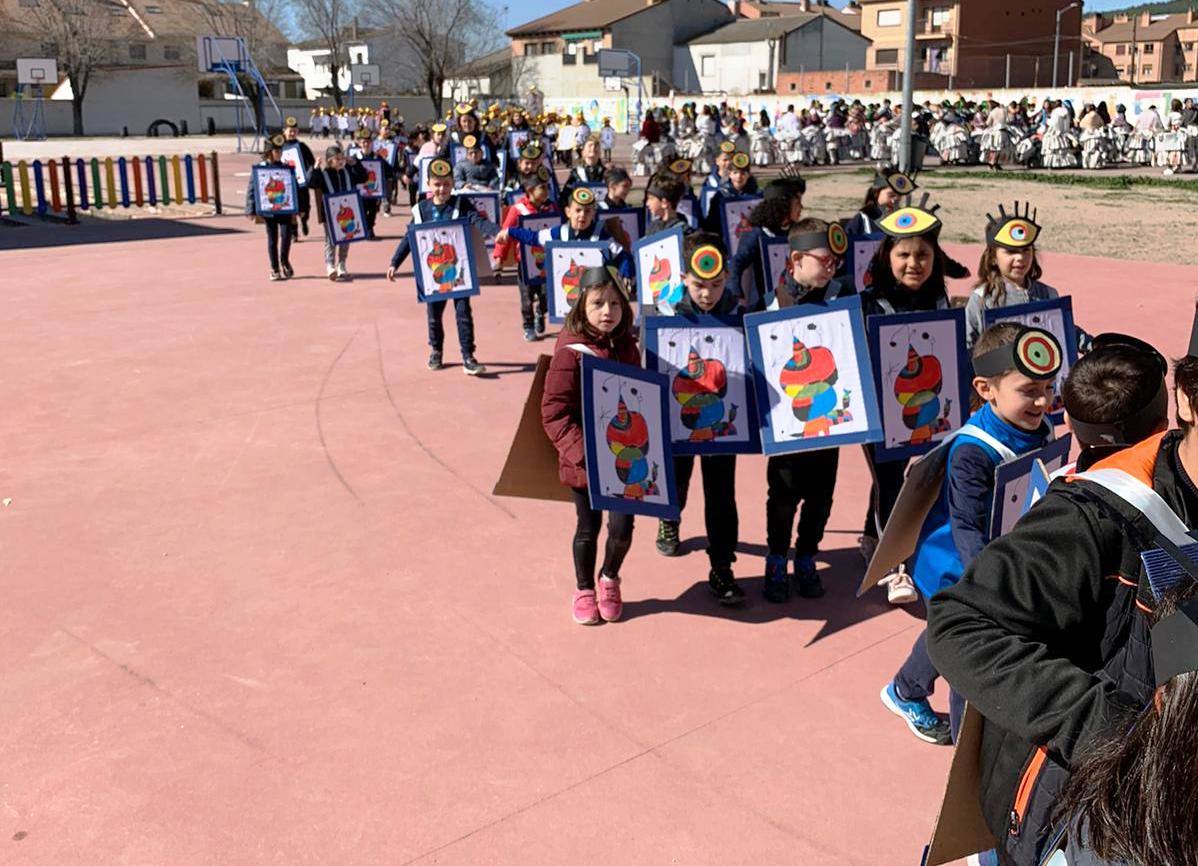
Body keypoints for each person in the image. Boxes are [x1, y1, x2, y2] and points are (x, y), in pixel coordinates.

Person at [926, 322, 1191, 866]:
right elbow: (960, 623)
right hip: (1098, 815)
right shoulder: (1102, 515)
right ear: (1186, 399)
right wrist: (1111, 732)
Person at [881, 323, 1059, 746]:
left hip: (1000, 548)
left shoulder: (1041, 426)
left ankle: (905, 687)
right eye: (1029, 390)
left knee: (946, 630)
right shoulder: (973, 451)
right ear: (986, 388)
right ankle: (967, 748)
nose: (1042, 400)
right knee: (968, 642)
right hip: (955, 558)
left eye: (1049, 388)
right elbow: (964, 522)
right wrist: (983, 579)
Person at [859, 194, 954, 604]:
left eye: (922, 254)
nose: (913, 263)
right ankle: (895, 568)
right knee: (890, 483)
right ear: (887, 256)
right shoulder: (868, 303)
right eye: (904, 254)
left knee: (923, 481)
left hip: (928, 410)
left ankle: (871, 535)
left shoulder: (940, 300)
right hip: (882, 413)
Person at [760, 218, 852, 603]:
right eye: (825, 260)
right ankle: (777, 557)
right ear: (796, 259)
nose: (833, 267)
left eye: (836, 261)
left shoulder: (840, 300)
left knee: (821, 498)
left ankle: (807, 555)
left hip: (828, 429)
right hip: (788, 433)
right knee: (781, 499)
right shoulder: (772, 303)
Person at [541, 267, 639, 625]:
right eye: (598, 303)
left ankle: (609, 577)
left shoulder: (629, 348)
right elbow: (553, 414)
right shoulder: (571, 352)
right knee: (588, 527)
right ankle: (584, 588)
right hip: (583, 462)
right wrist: (586, 455)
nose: (607, 311)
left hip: (626, 460)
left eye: (615, 303)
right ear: (581, 305)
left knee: (623, 529)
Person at [652, 233, 746, 604]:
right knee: (678, 479)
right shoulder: (664, 315)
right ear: (682, 281)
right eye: (698, 286)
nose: (707, 294)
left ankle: (722, 566)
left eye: (716, 285)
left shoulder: (738, 312)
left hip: (721, 422)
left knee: (722, 494)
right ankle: (670, 519)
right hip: (679, 417)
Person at [386, 157, 499, 375]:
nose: (442, 189)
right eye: (437, 184)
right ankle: (436, 351)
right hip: (433, 274)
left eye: (447, 184)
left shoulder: (461, 204)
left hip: (458, 271)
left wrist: (496, 232)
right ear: (428, 184)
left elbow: (478, 221)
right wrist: (394, 262)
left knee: (464, 313)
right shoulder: (420, 210)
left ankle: (468, 355)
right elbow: (408, 238)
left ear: (453, 184)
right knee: (434, 315)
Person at [963, 202, 1060, 348]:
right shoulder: (982, 299)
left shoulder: (1048, 294)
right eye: (1011, 251)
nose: (1020, 258)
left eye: (1026, 250)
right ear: (993, 257)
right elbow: (967, 346)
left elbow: (1062, 330)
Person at [492, 167, 560, 342]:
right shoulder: (518, 210)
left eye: (547, 187)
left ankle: (540, 312)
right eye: (542, 188)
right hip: (525, 262)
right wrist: (499, 258)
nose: (547, 192)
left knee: (548, 295)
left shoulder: (552, 208)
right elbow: (505, 234)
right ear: (530, 191)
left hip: (548, 262)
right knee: (526, 297)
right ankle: (528, 325)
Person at [725, 176, 805, 312]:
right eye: (797, 203)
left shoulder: (799, 231)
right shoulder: (758, 233)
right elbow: (736, 263)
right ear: (783, 205)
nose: (801, 207)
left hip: (796, 302)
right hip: (764, 306)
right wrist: (736, 294)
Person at [310, 145, 366, 281]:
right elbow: (311, 183)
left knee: (346, 238)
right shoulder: (324, 175)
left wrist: (356, 164)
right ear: (329, 161)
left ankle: (341, 264)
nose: (341, 161)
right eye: (337, 159)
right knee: (331, 240)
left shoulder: (348, 172)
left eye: (342, 158)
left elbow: (363, 177)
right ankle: (330, 265)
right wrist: (315, 168)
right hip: (330, 214)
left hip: (348, 213)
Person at [245, 136, 296, 281]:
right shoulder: (261, 169)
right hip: (269, 211)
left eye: (280, 151)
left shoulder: (285, 168)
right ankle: (274, 267)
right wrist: (250, 209)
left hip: (285, 209)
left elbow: (293, 188)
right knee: (272, 239)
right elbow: (252, 189)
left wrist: (298, 207)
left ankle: (284, 260)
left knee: (286, 236)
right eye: (276, 151)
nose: (279, 153)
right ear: (269, 152)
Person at [701, 151, 759, 236]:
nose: (739, 176)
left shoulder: (757, 196)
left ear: (749, 175)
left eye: (743, 173)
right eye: (735, 173)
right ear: (730, 174)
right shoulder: (721, 196)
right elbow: (711, 224)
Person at [281, 117, 316, 238]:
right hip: (287, 184)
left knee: (304, 207)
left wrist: (311, 173)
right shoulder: (280, 146)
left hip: (301, 182)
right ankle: (294, 232)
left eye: (294, 131)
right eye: (290, 131)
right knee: (291, 208)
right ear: (284, 131)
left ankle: (304, 221)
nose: (292, 133)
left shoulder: (301, 146)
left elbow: (311, 162)